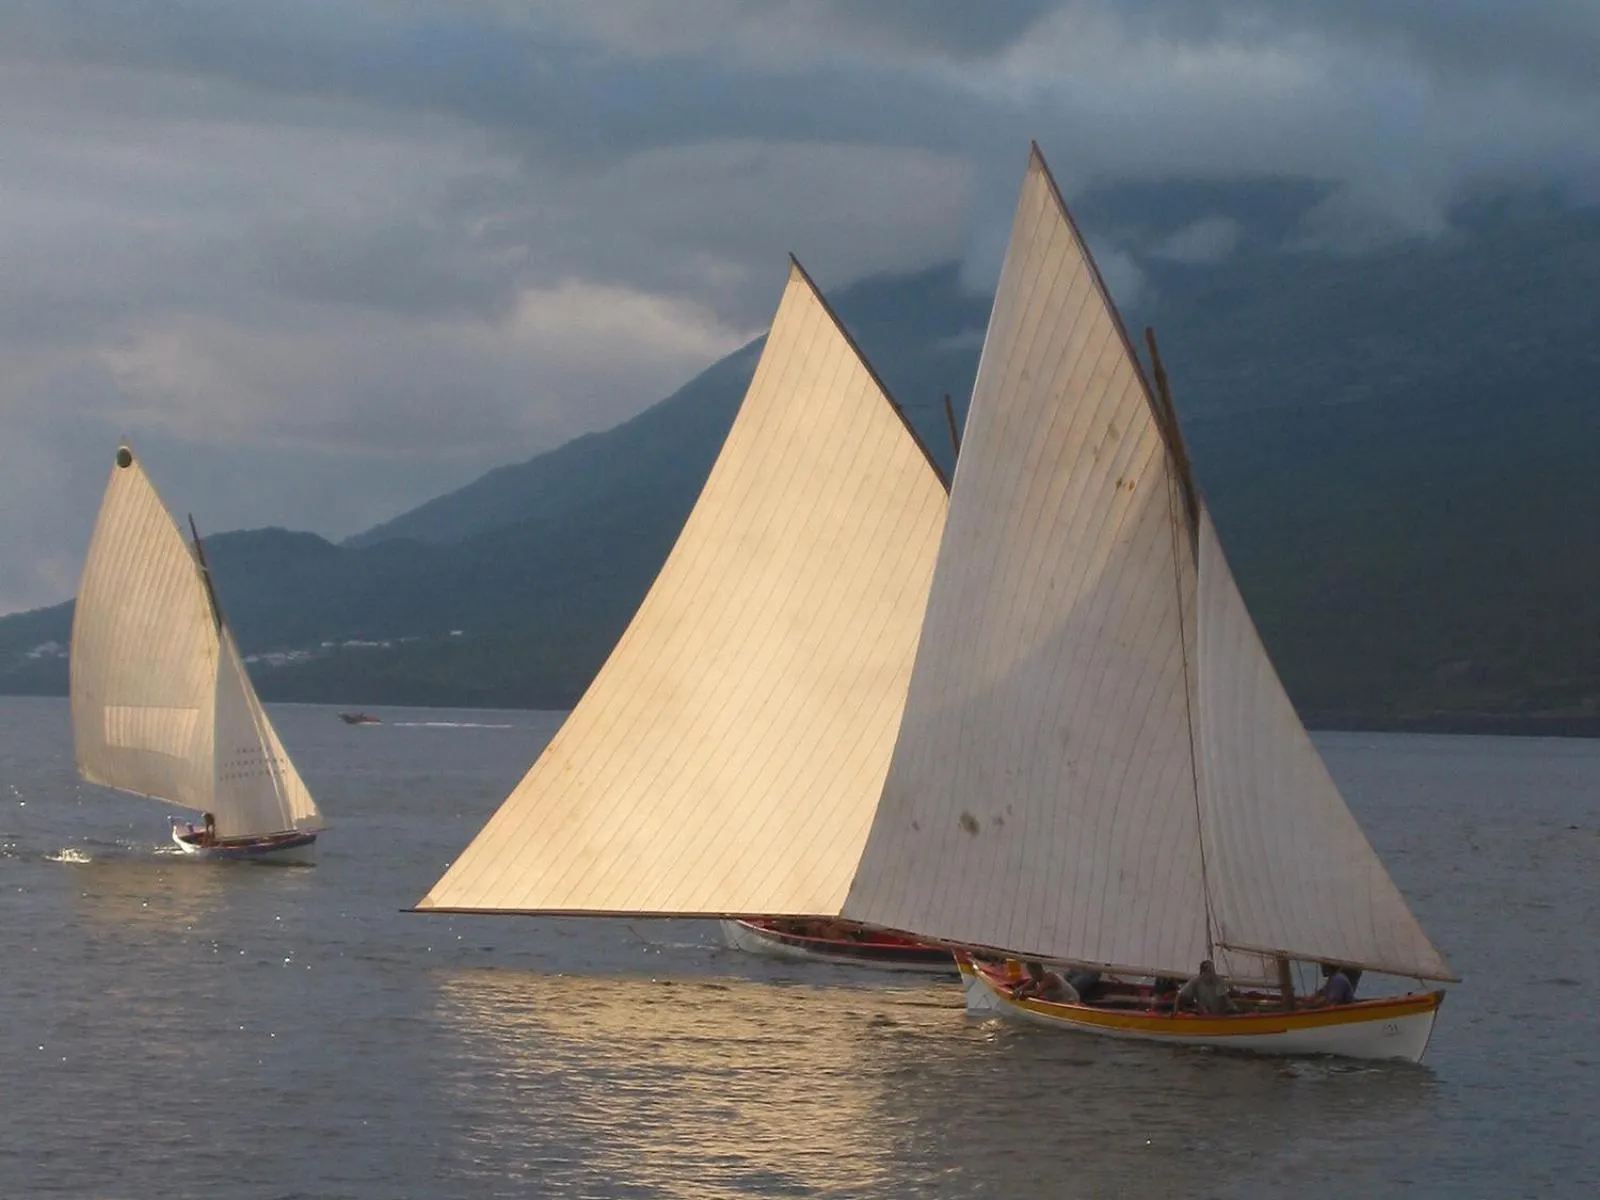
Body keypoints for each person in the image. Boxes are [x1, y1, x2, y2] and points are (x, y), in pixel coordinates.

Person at [1013, 960, 1080, 1004]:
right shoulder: (1036, 978)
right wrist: (1018, 990)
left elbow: (1036, 993)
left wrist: (1022, 993)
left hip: (1071, 1002)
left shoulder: (1049, 977)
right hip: (1059, 1002)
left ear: (1038, 970)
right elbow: (1024, 987)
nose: (1031, 974)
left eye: (1032, 972)